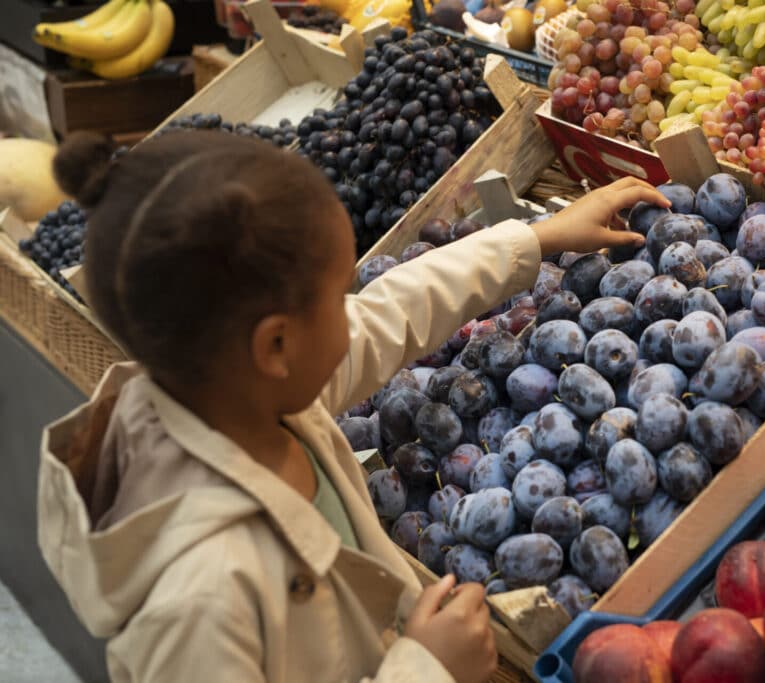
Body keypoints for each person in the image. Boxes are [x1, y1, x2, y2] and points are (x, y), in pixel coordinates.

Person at [36, 129, 668, 682]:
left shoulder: (242, 398)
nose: (354, 308)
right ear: (277, 345)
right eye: (339, 294)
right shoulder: (199, 602)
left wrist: (536, 239)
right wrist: (426, 670)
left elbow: (391, 312)